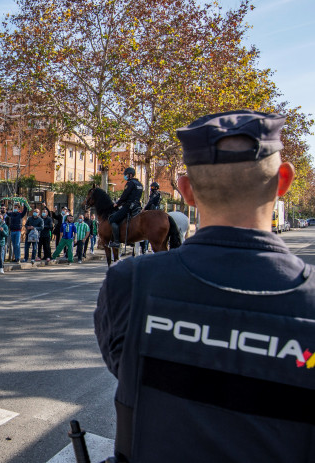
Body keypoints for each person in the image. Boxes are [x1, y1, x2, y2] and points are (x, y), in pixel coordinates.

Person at [94, 110, 315, 462]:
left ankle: (119, 234)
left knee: (119, 219)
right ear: (283, 181)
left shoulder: (128, 282)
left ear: (185, 190)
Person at [108, 167, 144, 247]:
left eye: (126, 175)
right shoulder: (140, 184)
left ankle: (116, 241)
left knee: (112, 219)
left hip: (128, 207)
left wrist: (117, 203)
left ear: (130, 175)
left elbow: (125, 195)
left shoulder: (130, 183)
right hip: (137, 207)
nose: (125, 176)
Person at [141, 182, 162, 253]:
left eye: (152, 187)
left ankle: (145, 248)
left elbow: (150, 202)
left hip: (152, 210)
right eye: (151, 187)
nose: (151, 188)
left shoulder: (155, 194)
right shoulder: (157, 193)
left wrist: (145, 209)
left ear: (156, 187)